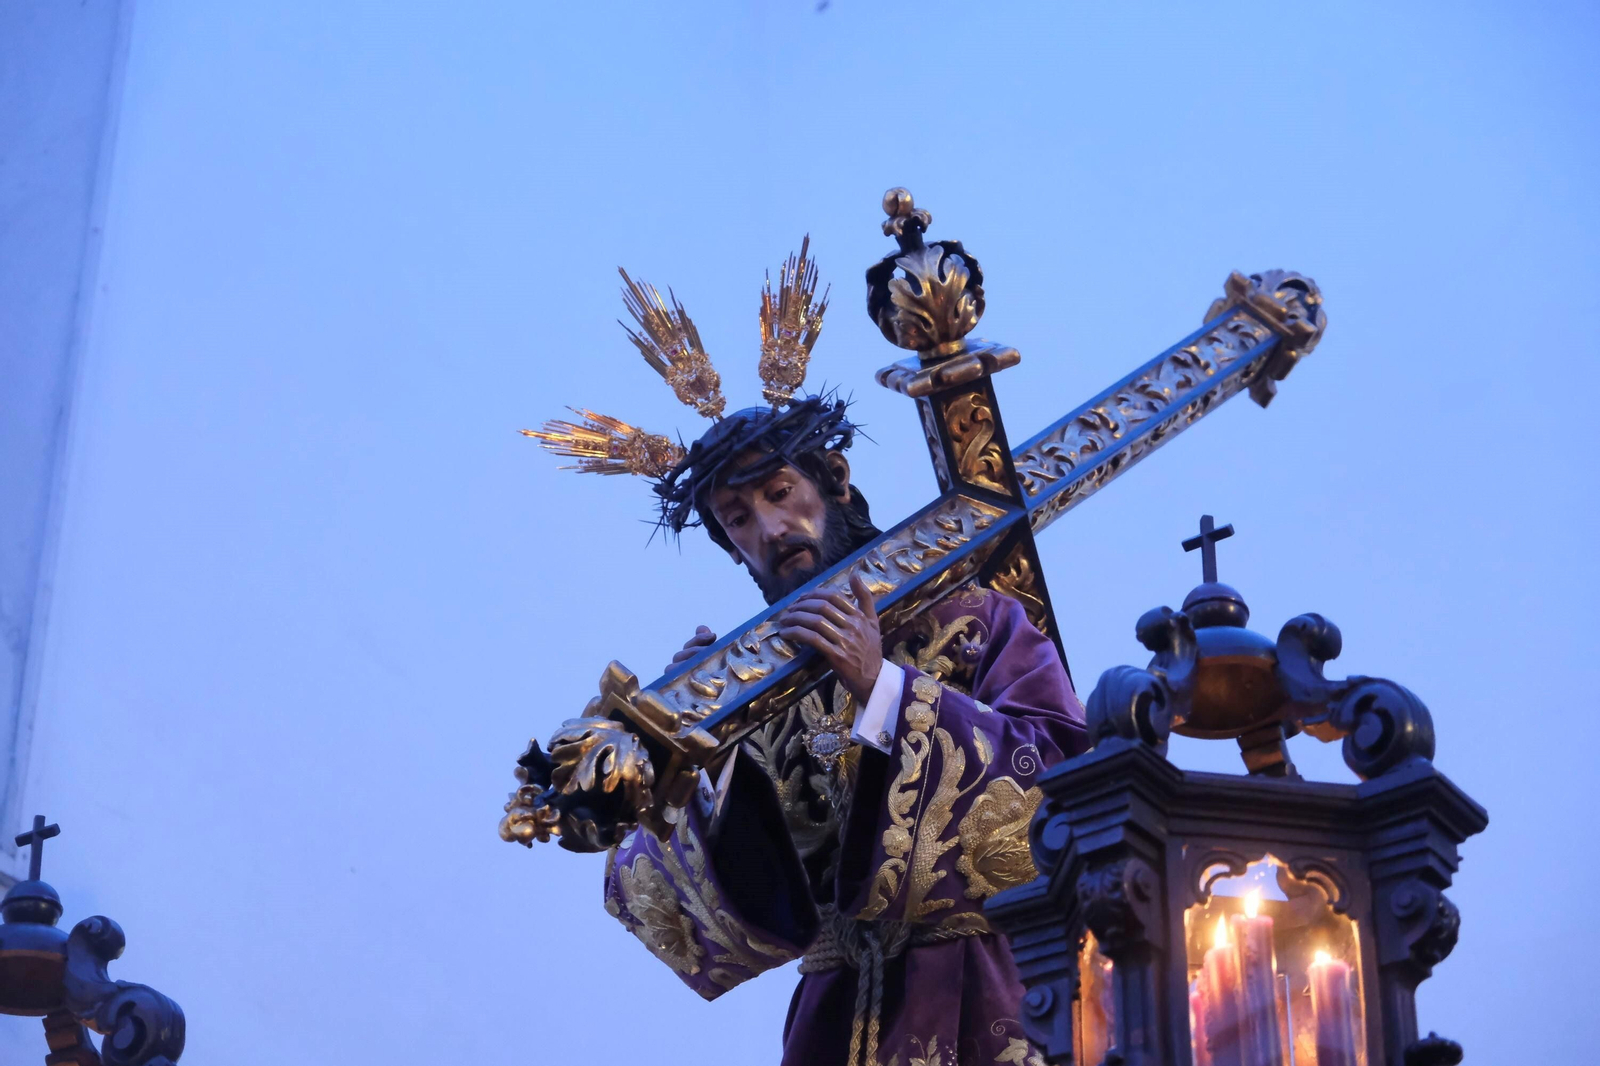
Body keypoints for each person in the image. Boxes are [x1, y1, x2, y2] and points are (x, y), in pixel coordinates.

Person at [524, 245, 1086, 1066]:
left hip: (988, 988)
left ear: (836, 483)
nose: (769, 529)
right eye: (738, 519)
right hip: (835, 1015)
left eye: (780, 493)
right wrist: (706, 762)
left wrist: (883, 688)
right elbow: (721, 934)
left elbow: (1068, 785)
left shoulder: (974, 620)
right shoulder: (757, 684)